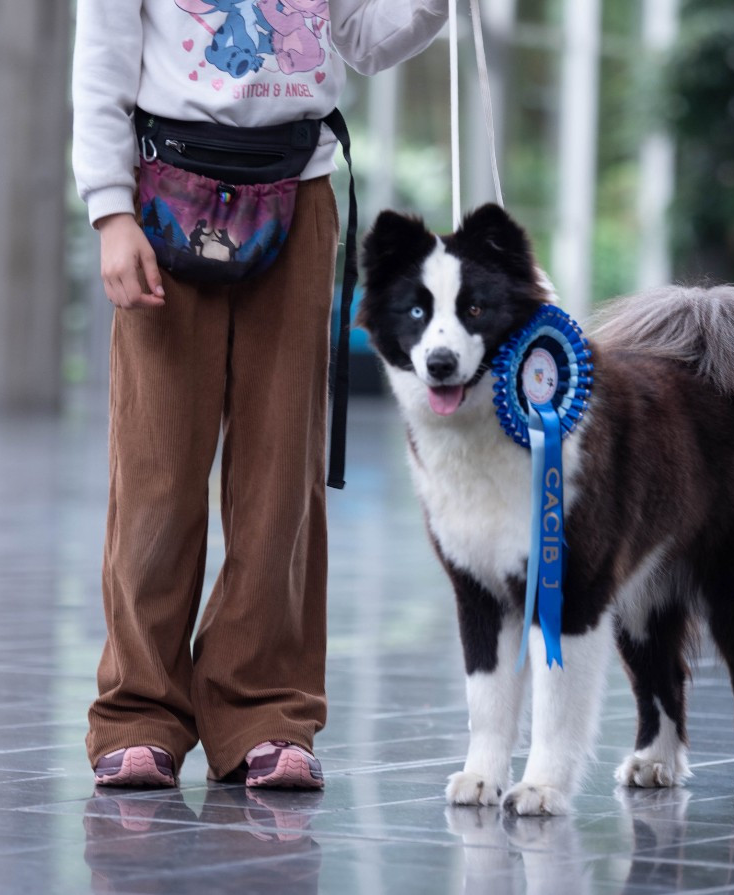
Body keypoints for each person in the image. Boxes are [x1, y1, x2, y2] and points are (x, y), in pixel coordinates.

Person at [73, 0, 449, 789]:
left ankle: (265, 710)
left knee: (283, 475)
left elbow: (366, 40)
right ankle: (139, 709)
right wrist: (110, 211)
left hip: (298, 192)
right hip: (166, 196)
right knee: (159, 473)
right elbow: (102, 61)